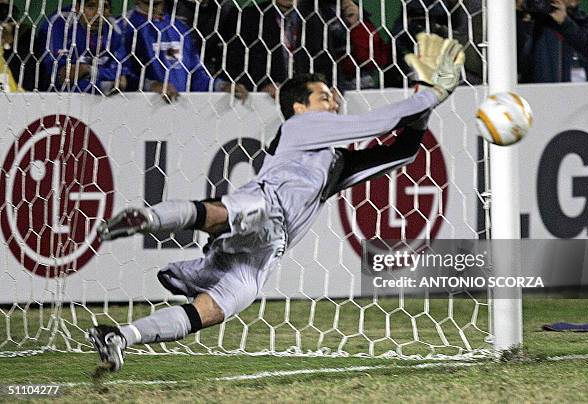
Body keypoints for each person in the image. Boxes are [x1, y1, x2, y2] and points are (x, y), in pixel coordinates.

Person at [87, 34, 465, 372]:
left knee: (219, 306)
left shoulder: (334, 160)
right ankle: (147, 219)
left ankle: (120, 336)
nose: (334, 101)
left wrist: (424, 99)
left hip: (266, 251)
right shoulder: (302, 127)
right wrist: (431, 93)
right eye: (323, 96)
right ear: (299, 107)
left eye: (333, 96)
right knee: (232, 212)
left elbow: (400, 151)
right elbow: (381, 123)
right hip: (265, 204)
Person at [122, 0, 247, 102]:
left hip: (180, 109)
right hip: (141, 108)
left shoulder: (179, 27)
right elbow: (121, 74)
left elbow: (196, 74)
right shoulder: (124, 26)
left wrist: (222, 86)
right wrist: (151, 85)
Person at [40, 0, 130, 94]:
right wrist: (104, 77)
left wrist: (88, 70)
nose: (98, 14)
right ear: (78, 7)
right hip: (60, 99)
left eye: (104, 7)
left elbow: (122, 80)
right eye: (91, 6)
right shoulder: (60, 24)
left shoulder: (115, 29)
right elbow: (63, 76)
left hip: (103, 101)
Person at [516, 0, 588, 83]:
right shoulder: (536, 23)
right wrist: (522, 17)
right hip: (536, 94)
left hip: (581, 96)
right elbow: (517, 60)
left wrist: (565, 23)